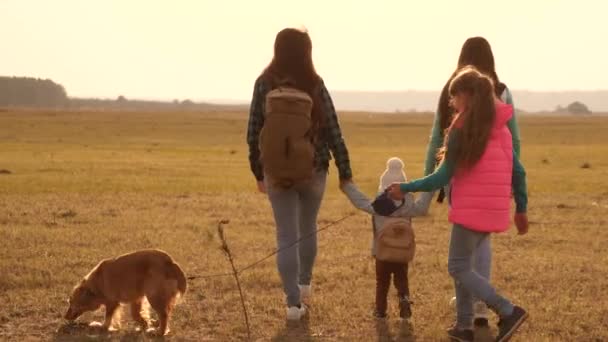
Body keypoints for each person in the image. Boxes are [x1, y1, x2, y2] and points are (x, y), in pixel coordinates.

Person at [388, 66, 529, 342]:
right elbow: (520, 172)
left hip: (469, 211)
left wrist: (404, 187)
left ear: (467, 96)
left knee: (457, 266)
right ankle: (463, 326)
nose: (451, 103)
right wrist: (521, 209)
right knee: (465, 265)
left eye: (454, 97)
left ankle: (507, 310)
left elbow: (441, 176)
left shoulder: (461, 131)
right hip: (493, 210)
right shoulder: (500, 130)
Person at [246, 27, 353, 321]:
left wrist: (258, 171)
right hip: (314, 168)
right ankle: (305, 286)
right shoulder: (314, 83)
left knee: (286, 236)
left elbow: (253, 130)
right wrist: (345, 171)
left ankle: (292, 304)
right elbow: (334, 129)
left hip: (276, 170)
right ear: (307, 51)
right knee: (308, 228)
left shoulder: (263, 83)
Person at [424, 36, 522, 327]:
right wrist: (510, 178)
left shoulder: (452, 89)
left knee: (460, 254)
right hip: (494, 181)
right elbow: (514, 138)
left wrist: (427, 189)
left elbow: (435, 140)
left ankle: (470, 315)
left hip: (461, 179)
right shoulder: (502, 91)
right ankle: (478, 309)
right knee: (481, 245)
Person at [340, 157, 433, 320]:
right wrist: (431, 186)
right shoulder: (409, 205)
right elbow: (423, 205)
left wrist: (347, 186)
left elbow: (360, 201)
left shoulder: (378, 206)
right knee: (402, 279)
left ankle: (380, 311)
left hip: (382, 251)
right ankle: (404, 299)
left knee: (382, 283)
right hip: (402, 251)